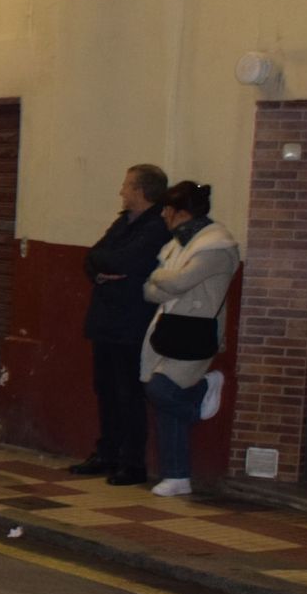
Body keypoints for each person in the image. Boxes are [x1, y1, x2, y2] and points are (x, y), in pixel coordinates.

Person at [70, 165, 170, 485]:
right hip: (106, 319)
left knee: (129, 393)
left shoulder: (155, 226)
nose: (121, 191)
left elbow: (125, 262)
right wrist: (102, 271)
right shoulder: (123, 221)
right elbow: (94, 256)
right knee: (106, 390)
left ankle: (132, 462)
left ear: (141, 191)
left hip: (131, 322)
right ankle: (107, 452)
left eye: (126, 186)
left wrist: (108, 265)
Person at [141, 181, 238, 497]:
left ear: (180, 212)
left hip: (195, 333)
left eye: (167, 210)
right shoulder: (179, 244)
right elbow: (150, 291)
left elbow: (179, 281)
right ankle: (177, 474)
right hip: (169, 327)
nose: (163, 216)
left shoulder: (216, 247)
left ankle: (202, 391)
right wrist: (160, 282)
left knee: (161, 389)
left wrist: (158, 277)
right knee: (164, 402)